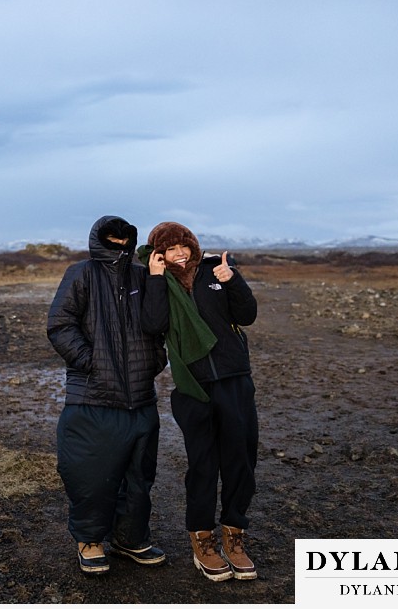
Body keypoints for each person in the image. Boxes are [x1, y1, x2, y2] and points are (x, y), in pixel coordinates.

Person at [47, 215, 169, 576]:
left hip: (141, 396)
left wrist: (153, 360)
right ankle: (90, 540)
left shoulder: (141, 274)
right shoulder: (81, 273)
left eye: (123, 238)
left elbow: (157, 323)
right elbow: (59, 324)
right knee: (90, 472)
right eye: (111, 238)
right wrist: (92, 362)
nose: (118, 244)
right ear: (100, 239)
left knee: (138, 476)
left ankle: (130, 539)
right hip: (94, 396)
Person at [138, 221, 260, 582]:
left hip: (235, 381)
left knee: (240, 461)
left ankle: (234, 535)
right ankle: (203, 540)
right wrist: (157, 280)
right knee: (203, 466)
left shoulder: (214, 270)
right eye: (171, 248)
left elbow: (247, 315)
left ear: (192, 245)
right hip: (194, 388)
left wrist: (232, 280)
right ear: (159, 252)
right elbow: (153, 324)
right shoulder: (159, 280)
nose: (180, 253)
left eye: (184, 246)